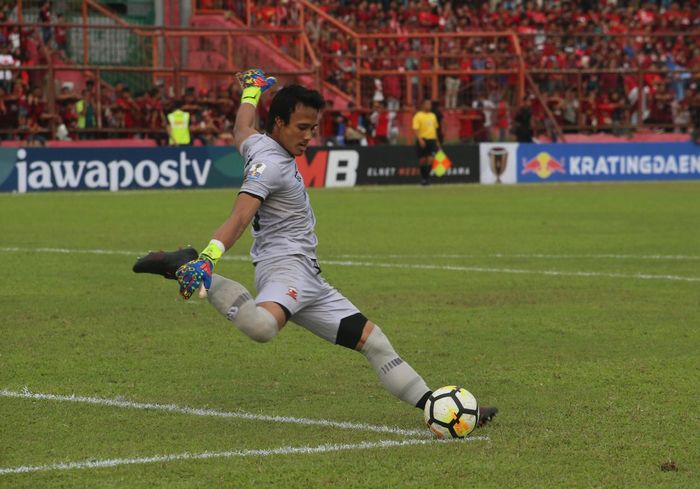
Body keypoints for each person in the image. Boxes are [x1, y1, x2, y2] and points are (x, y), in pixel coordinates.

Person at [132, 68, 497, 431]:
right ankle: (190, 265)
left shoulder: (260, 143)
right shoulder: (269, 164)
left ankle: (441, 408)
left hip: (309, 277)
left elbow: (241, 130)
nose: (310, 137)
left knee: (375, 342)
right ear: (278, 123)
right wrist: (210, 257)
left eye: (314, 128)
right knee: (262, 327)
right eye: (302, 128)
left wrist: (250, 93)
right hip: (286, 269)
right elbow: (241, 215)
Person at [412, 99, 441, 186]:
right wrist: (420, 140)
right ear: (423, 105)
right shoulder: (418, 115)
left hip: (431, 139)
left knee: (430, 159)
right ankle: (423, 178)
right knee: (422, 160)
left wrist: (437, 141)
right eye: (427, 104)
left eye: (430, 104)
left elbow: (435, 129)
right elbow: (415, 129)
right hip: (423, 139)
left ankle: (427, 179)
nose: (429, 106)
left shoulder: (433, 116)